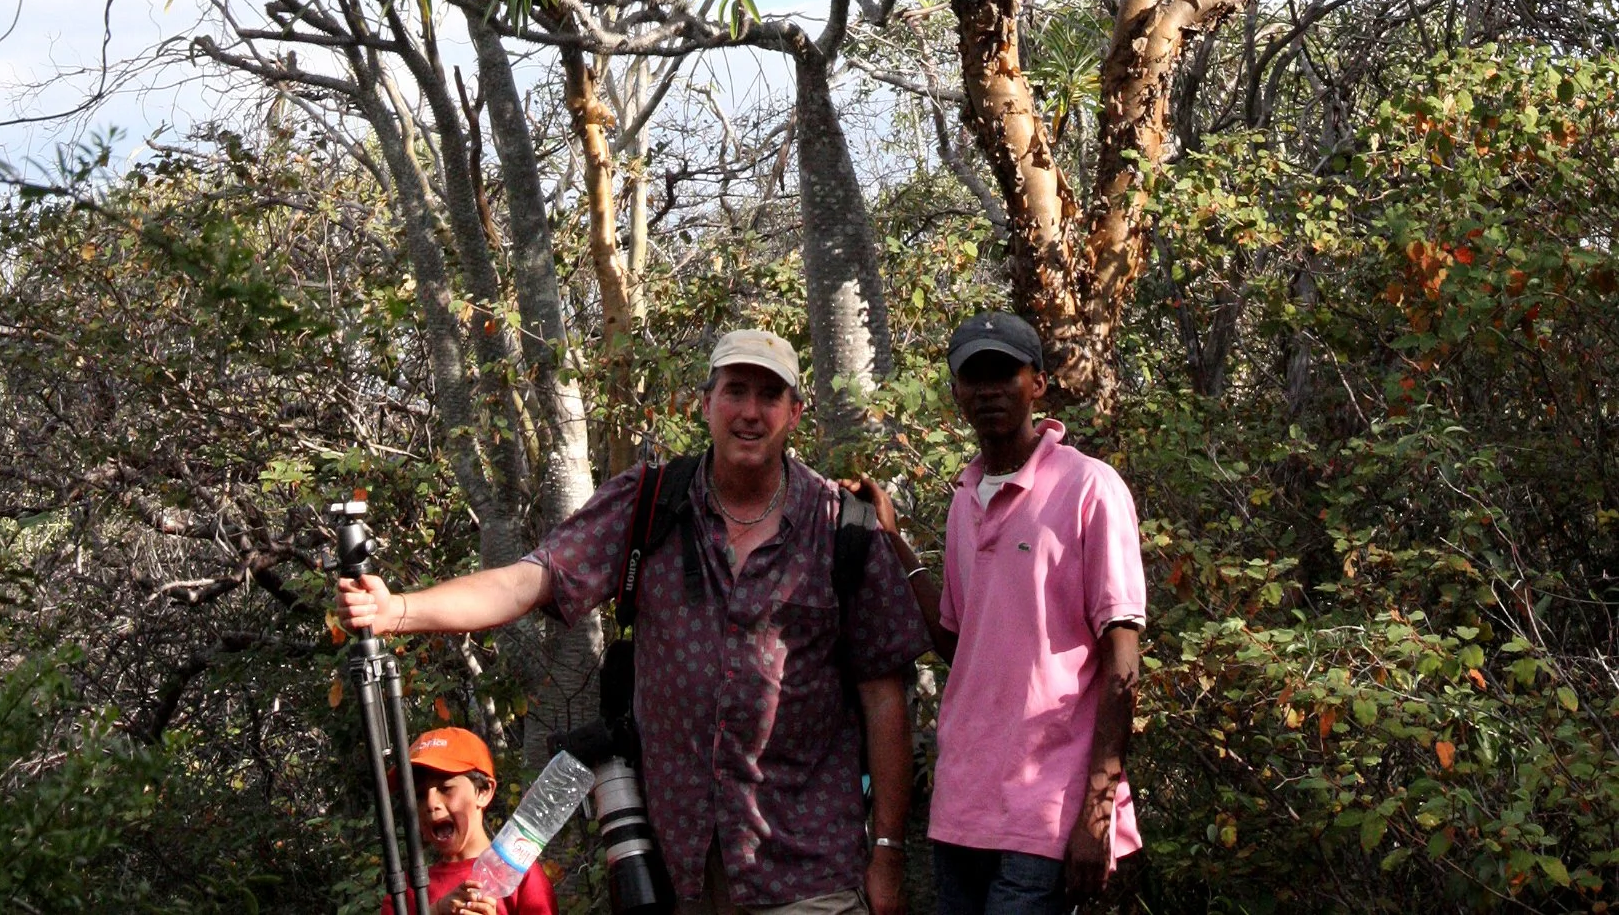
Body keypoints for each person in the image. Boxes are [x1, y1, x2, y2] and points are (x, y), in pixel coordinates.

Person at [337, 329, 924, 915]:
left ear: (795, 412)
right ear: (706, 403)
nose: (750, 411)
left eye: (769, 396)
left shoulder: (841, 528)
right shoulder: (650, 503)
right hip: (677, 873)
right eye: (735, 391)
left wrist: (888, 854)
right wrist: (398, 610)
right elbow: (528, 579)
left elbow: (884, 701)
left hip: (810, 869)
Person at [860, 312, 1145, 915]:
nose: (989, 390)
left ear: (1037, 384)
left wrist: (1099, 808)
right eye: (974, 377)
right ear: (956, 392)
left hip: (1046, 808)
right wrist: (894, 540)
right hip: (963, 807)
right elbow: (957, 645)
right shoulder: (965, 500)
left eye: (1004, 374)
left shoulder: (1091, 488)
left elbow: (1123, 653)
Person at [396, 723, 556, 915]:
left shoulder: (520, 875)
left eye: (445, 788)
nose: (431, 803)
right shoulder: (405, 891)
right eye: (419, 795)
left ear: (483, 791)